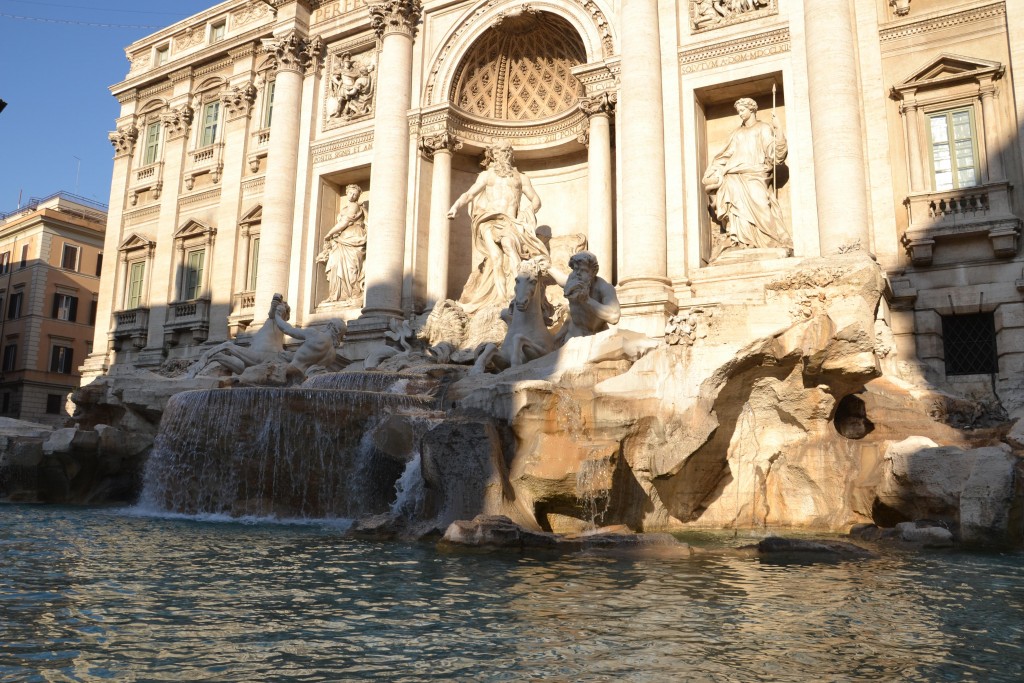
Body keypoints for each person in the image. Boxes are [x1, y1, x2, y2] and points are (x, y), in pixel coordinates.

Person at [447, 140, 548, 311]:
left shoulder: (521, 178)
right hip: (489, 219)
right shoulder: (486, 176)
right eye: (499, 152)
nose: (502, 155)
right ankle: (501, 298)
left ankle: (518, 292)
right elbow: (470, 194)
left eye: (505, 151)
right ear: (493, 155)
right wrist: (455, 206)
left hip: (510, 222)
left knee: (510, 247)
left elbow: (536, 200)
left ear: (510, 154)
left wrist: (526, 214)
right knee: (495, 257)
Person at [702, 97, 790, 260]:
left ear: (752, 110)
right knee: (737, 210)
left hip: (756, 174)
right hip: (734, 176)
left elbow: (775, 155)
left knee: (762, 204)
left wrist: (778, 130)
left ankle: (768, 240)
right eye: (738, 111)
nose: (740, 114)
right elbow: (725, 155)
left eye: (742, 110)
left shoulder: (763, 128)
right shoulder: (736, 133)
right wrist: (714, 170)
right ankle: (741, 241)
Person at [188, 294, 290, 376]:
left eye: (280, 307)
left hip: (262, 357)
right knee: (218, 356)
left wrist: (278, 299)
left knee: (227, 345)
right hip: (253, 359)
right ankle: (193, 373)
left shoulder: (277, 320)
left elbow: (275, 301)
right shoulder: (275, 322)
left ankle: (204, 357)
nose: (277, 308)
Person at [545, 251, 620, 346]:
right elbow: (563, 280)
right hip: (573, 337)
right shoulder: (574, 280)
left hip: (597, 338)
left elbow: (614, 317)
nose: (578, 274)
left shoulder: (604, 288)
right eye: (575, 269)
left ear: (594, 271)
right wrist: (548, 267)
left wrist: (587, 300)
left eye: (583, 270)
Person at [317, 184, 367, 304]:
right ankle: (336, 295)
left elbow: (344, 223)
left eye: (355, 194)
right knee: (335, 264)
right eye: (350, 193)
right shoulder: (345, 208)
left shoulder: (354, 206)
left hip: (353, 237)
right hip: (342, 239)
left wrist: (329, 234)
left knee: (351, 267)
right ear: (346, 193)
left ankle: (353, 293)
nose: (352, 195)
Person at [272, 309, 346, 375]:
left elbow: (287, 330)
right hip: (305, 379)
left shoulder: (315, 334)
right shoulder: (332, 355)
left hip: (289, 370)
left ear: (330, 325)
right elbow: (311, 360)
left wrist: (277, 316)